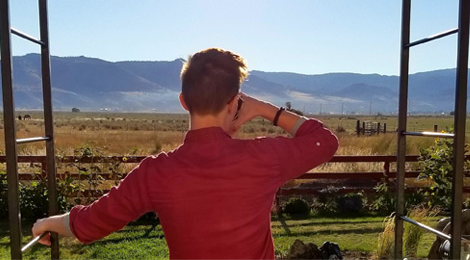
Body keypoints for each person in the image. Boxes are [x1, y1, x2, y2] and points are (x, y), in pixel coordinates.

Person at [32, 48, 339, 259]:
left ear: (183, 101)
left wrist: (49, 223)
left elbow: (91, 223)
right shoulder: (262, 157)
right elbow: (323, 141)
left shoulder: (156, 173)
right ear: (234, 103)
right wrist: (263, 109)